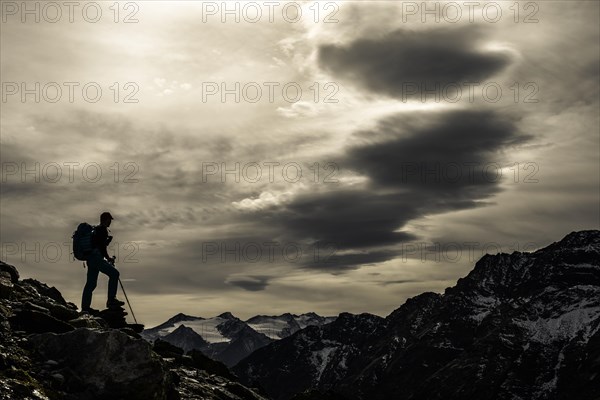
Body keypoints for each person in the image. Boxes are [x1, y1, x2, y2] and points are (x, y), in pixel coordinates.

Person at [81, 212, 125, 313]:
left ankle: (85, 308)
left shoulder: (96, 230)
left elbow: (98, 244)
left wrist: (106, 243)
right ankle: (111, 300)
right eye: (109, 220)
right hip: (97, 259)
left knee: (91, 284)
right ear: (105, 220)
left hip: (90, 259)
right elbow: (101, 247)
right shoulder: (103, 230)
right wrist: (108, 258)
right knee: (114, 274)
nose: (110, 222)